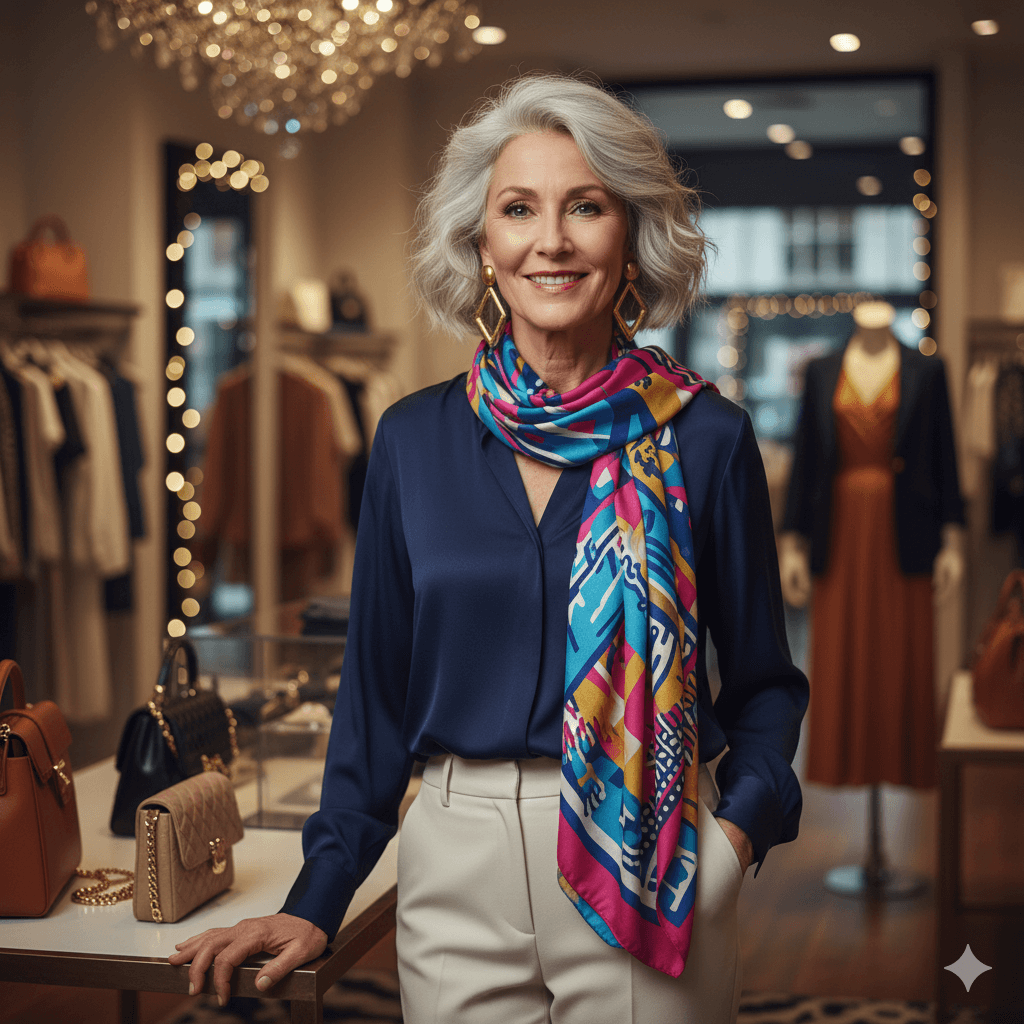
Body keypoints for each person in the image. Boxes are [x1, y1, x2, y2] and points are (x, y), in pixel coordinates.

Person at [170, 73, 809, 1024]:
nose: (551, 240)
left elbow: (763, 683)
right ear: (481, 245)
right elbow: (375, 700)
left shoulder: (707, 438)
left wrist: (737, 838)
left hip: (651, 854)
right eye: (518, 209)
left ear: (630, 236)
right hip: (454, 864)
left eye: (585, 206)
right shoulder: (410, 440)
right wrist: (317, 899)